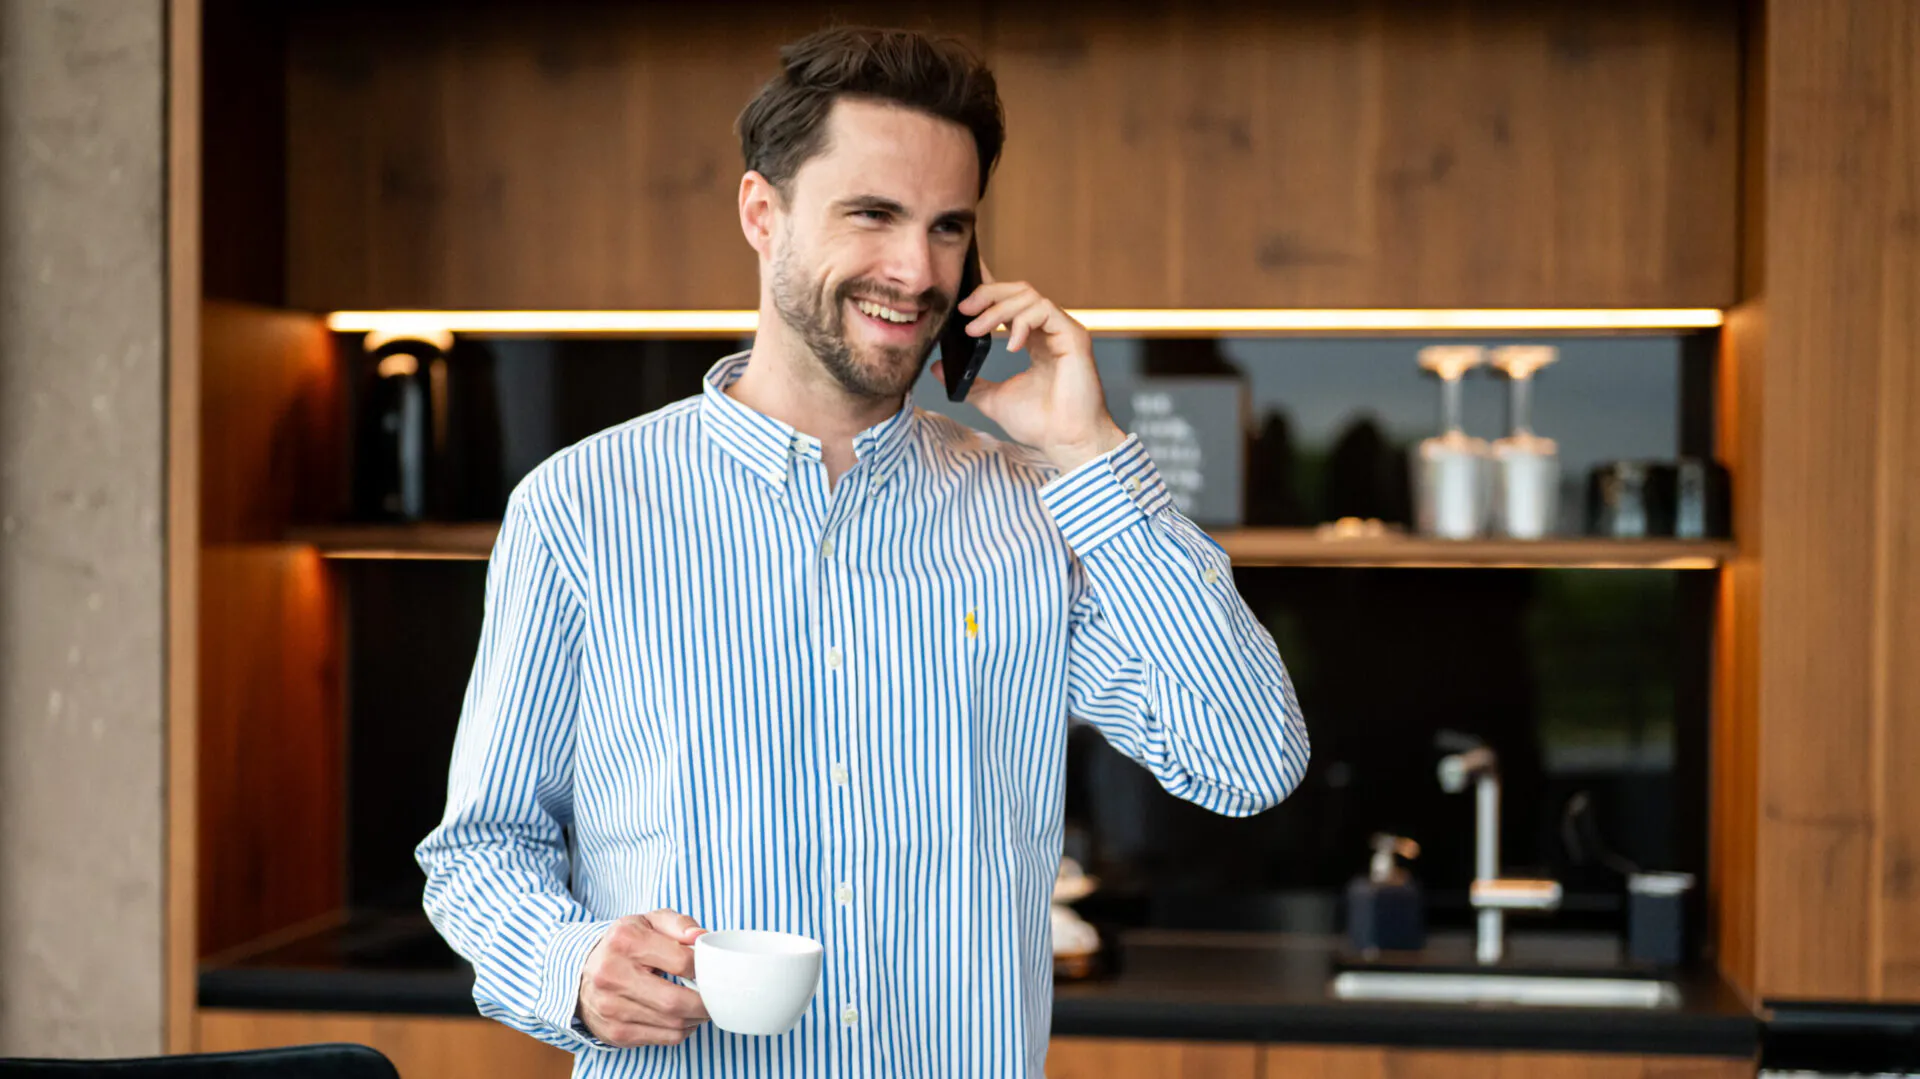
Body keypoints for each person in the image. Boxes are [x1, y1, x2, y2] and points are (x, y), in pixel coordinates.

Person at [416, 24, 1309, 1078]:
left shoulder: (1034, 512)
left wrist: (1090, 451)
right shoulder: (582, 507)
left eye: (947, 228)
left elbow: (1249, 759)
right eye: (874, 215)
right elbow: (482, 849)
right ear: (764, 212)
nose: (915, 270)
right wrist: (571, 963)